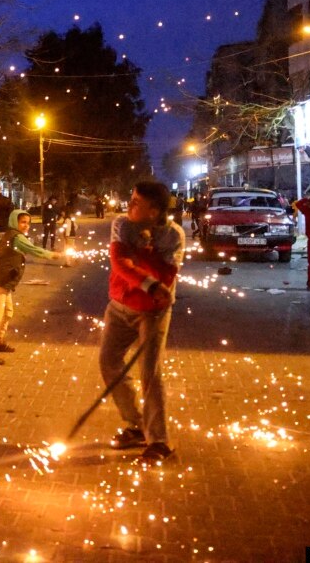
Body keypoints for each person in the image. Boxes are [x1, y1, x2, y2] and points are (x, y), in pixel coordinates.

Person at [100, 181, 184, 465]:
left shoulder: (173, 235)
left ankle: (160, 441)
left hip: (153, 312)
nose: (130, 205)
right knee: (109, 362)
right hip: (119, 307)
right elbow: (119, 264)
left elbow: (167, 277)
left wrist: (145, 252)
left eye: (137, 202)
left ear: (155, 211)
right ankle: (135, 425)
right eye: (131, 199)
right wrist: (148, 280)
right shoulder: (122, 225)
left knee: (150, 372)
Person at [0, 209, 64, 365]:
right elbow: (33, 250)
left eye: (28, 222)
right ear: (14, 222)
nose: (26, 225)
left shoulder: (11, 235)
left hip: (4, 281)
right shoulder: (16, 237)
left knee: (8, 313)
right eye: (23, 222)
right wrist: (53, 255)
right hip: (0, 282)